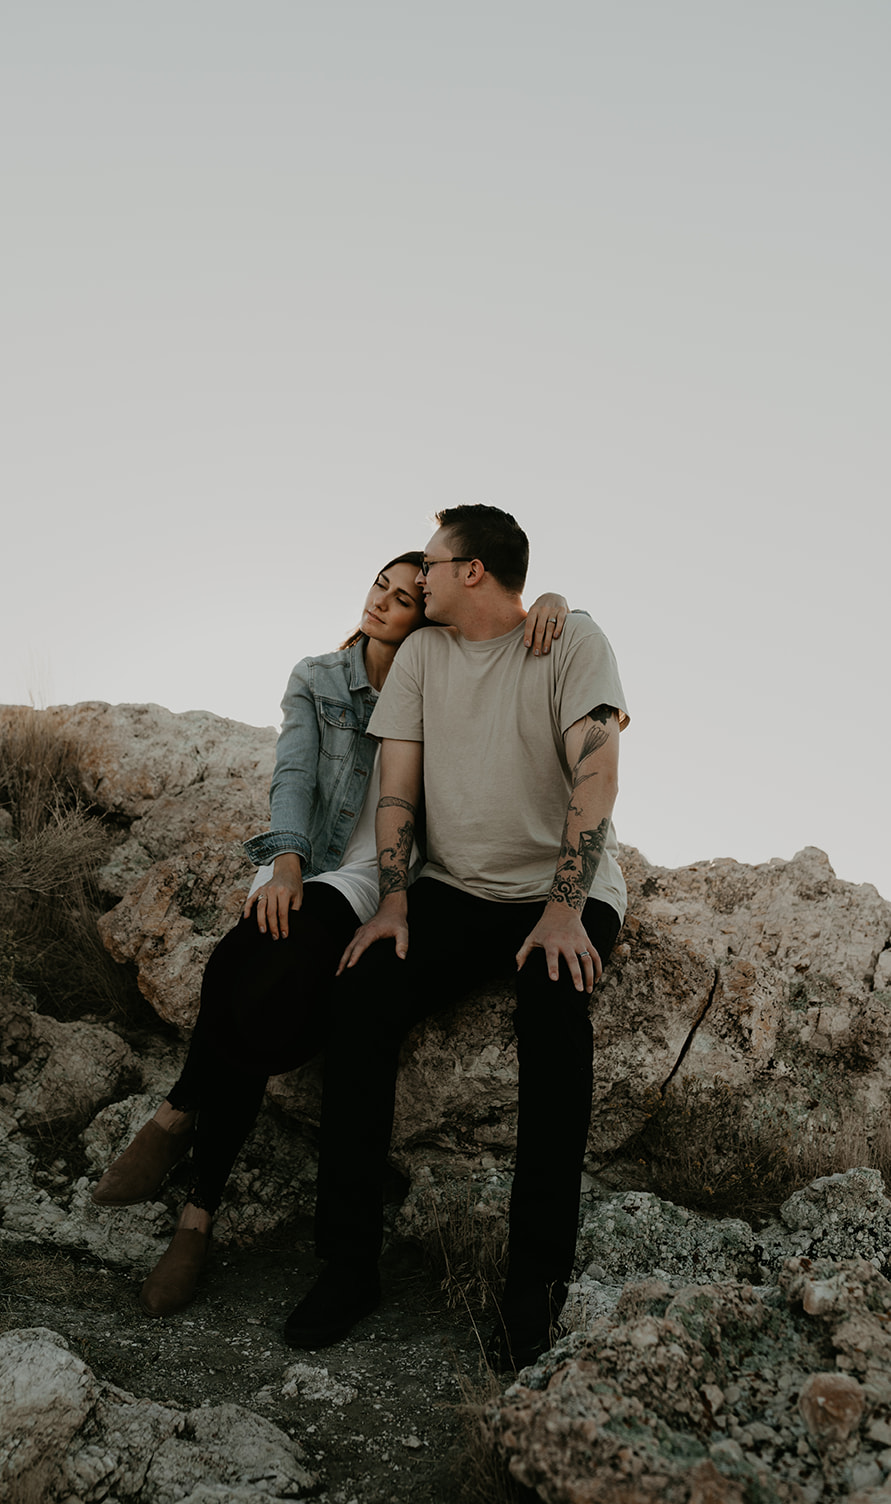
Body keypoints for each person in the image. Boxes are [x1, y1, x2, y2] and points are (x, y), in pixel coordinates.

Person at [90, 549, 570, 1318]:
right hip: (308, 856)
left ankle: (186, 1155)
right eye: (379, 586)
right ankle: (191, 1195)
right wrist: (282, 863)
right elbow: (293, 773)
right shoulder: (319, 677)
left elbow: (513, 644)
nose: (381, 602)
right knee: (249, 961)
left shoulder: (440, 680)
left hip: (378, 877)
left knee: (275, 986)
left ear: (434, 614)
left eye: (406, 597)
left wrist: (550, 597)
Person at [283, 504, 628, 1374]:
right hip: (453, 891)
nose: (420, 576)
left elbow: (597, 769)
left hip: (561, 888)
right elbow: (396, 789)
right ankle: (348, 1266)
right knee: (360, 998)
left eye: (431, 563)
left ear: (470, 570)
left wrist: (562, 907)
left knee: (554, 1020)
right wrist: (393, 904)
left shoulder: (572, 640)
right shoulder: (426, 657)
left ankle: (532, 1294)